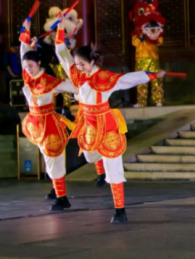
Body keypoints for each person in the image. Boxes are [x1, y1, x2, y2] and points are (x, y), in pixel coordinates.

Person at [54, 14, 166, 224]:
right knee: (90, 157)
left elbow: (127, 79)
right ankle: (100, 163)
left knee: (113, 164)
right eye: (77, 64)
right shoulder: (77, 74)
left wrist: (151, 75)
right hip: (88, 124)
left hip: (106, 124)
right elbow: (62, 54)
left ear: (92, 61)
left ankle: (120, 210)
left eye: (82, 64)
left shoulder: (105, 78)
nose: (78, 67)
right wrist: (60, 29)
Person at [18, 20, 76, 211]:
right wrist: (26, 30)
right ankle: (56, 189)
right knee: (47, 158)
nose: (28, 69)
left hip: (48, 123)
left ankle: (62, 198)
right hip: (35, 122)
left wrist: (84, 85)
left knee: (54, 158)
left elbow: (71, 86)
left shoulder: (49, 81)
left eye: (31, 65)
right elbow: (24, 51)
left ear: (39, 63)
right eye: (26, 66)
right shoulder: (28, 77)